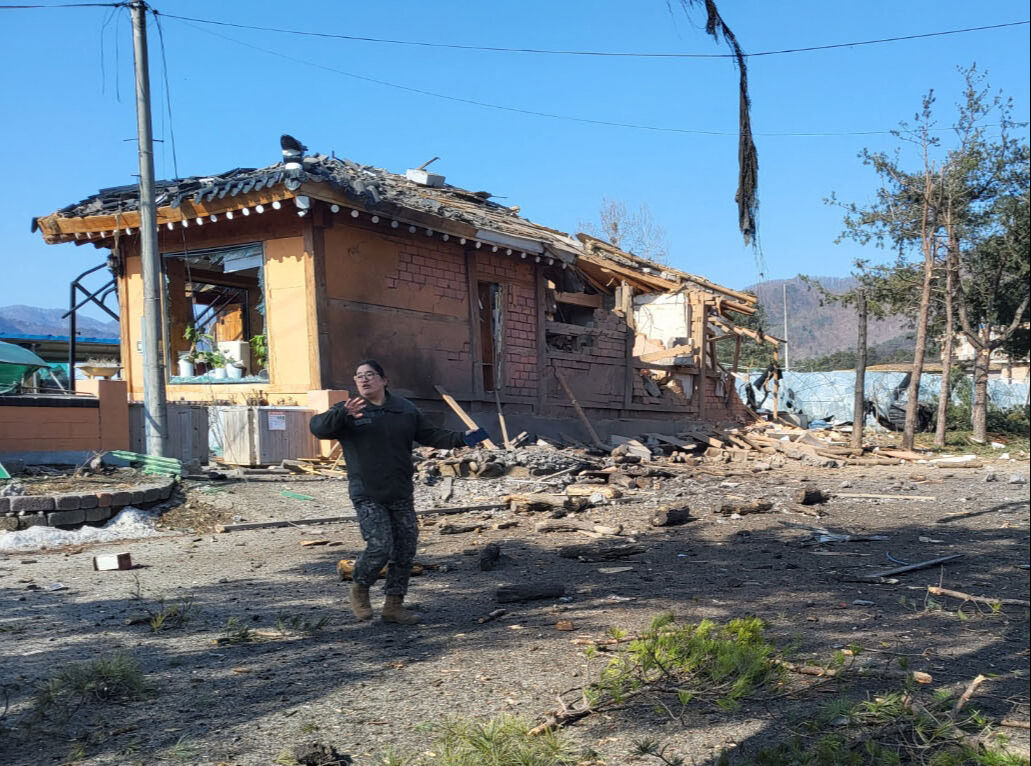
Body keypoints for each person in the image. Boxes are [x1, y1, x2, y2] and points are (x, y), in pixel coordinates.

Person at [309, 359, 488, 624]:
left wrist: (465, 437)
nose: (363, 379)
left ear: (384, 380)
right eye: (359, 376)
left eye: (370, 375)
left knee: (405, 549)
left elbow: (431, 435)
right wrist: (341, 414)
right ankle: (359, 588)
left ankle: (394, 606)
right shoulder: (349, 410)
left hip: (400, 491)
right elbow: (318, 428)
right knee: (380, 546)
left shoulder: (404, 409)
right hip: (367, 491)